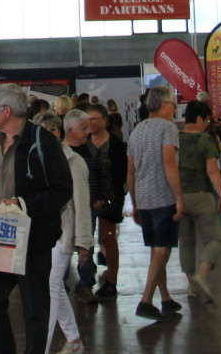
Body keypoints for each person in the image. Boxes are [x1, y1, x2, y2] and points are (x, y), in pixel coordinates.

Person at [0, 83, 74, 354]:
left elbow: (63, 189)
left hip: (33, 236)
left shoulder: (42, 141)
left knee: (34, 308)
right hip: (0, 234)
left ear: (6, 111)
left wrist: (24, 204)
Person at [34, 112, 93, 354]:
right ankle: (74, 341)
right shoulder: (36, 159)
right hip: (44, 234)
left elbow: (82, 203)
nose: (48, 136)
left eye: (52, 131)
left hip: (64, 235)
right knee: (54, 286)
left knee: (49, 289)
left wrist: (83, 243)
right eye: (43, 131)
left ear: (60, 133)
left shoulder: (73, 162)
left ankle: (42, 349)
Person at [125, 85, 186, 321]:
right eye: (173, 104)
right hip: (163, 196)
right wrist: (179, 197)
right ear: (163, 106)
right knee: (162, 250)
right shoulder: (168, 128)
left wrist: (134, 201)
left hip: (144, 197)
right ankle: (146, 300)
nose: (174, 109)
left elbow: (130, 171)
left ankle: (166, 297)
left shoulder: (137, 131)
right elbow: (169, 162)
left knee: (156, 251)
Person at [177, 100, 221, 303]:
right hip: (200, 195)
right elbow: (212, 170)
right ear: (198, 118)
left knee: (186, 243)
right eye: (206, 119)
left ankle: (191, 286)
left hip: (178, 196)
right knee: (214, 239)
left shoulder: (175, 138)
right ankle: (202, 275)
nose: (207, 123)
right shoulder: (205, 139)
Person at [84, 101, 126, 301]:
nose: (90, 123)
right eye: (88, 119)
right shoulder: (84, 143)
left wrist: (117, 197)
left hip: (110, 199)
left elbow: (122, 173)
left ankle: (111, 280)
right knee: (86, 240)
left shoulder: (116, 145)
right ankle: (87, 276)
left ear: (105, 121)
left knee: (109, 239)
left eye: (94, 119)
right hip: (87, 201)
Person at [63, 107, 100, 303]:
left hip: (89, 207)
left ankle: (85, 285)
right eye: (84, 128)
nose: (88, 131)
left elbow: (100, 172)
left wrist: (100, 196)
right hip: (65, 212)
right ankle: (60, 286)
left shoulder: (91, 149)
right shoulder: (61, 154)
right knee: (63, 249)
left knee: (87, 246)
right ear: (70, 131)